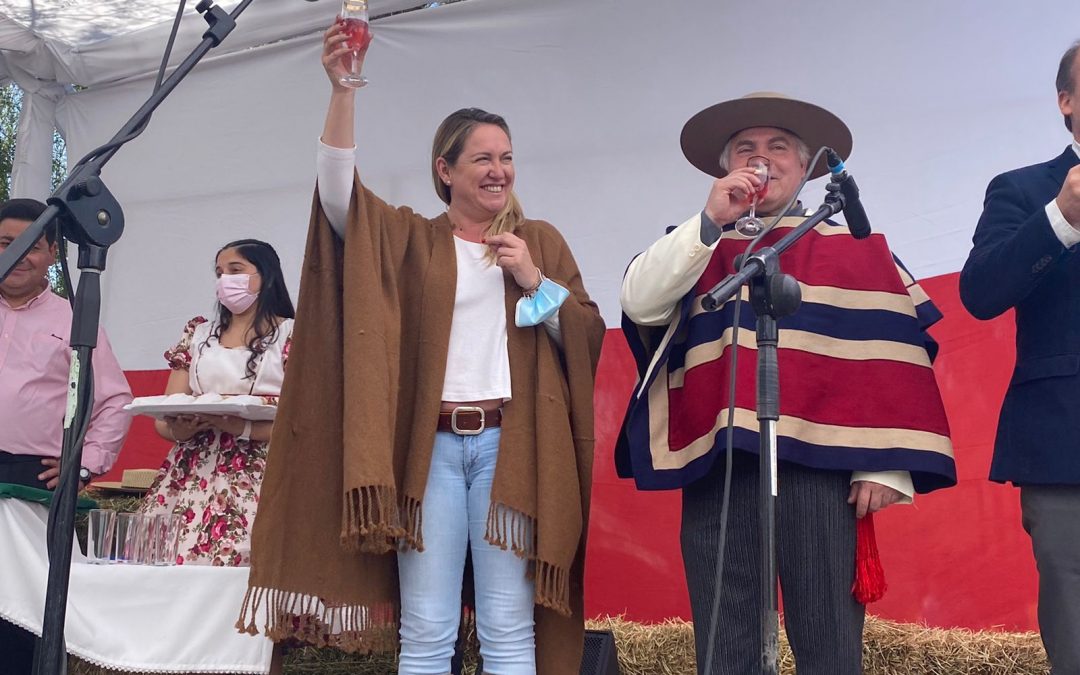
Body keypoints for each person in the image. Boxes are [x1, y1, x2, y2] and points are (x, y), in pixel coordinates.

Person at [238, 21, 605, 675]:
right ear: (446, 169)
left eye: (506, 157)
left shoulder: (540, 242)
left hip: (510, 452)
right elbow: (338, 195)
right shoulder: (413, 240)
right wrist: (343, 88)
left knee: (507, 629)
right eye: (482, 158)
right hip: (430, 451)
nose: (499, 170)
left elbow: (584, 335)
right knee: (428, 629)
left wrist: (534, 281)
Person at [616, 93, 956, 674]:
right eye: (746, 149)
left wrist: (883, 464)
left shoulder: (854, 249)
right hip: (722, 467)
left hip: (823, 475)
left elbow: (896, 353)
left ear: (806, 167)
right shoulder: (698, 244)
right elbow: (639, 302)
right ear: (727, 168)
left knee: (829, 646)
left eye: (778, 148)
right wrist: (709, 221)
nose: (762, 160)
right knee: (727, 649)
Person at [959, 40, 1080, 674]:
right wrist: (1061, 216)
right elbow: (979, 293)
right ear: (1067, 101)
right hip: (1067, 449)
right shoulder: (1024, 189)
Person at [0, 197, 132, 673]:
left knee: (25, 615)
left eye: (31, 246)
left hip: (30, 482)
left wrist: (86, 462)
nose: (18, 255)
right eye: (4, 244)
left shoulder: (73, 319)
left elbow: (114, 399)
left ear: (53, 254)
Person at [139, 239, 294, 567]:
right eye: (219, 272)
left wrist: (244, 427)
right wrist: (180, 428)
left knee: (245, 560)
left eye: (235, 270)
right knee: (167, 556)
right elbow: (164, 416)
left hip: (262, 470)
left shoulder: (293, 334)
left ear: (265, 276)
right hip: (192, 469)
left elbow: (306, 420)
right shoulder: (197, 333)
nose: (225, 280)